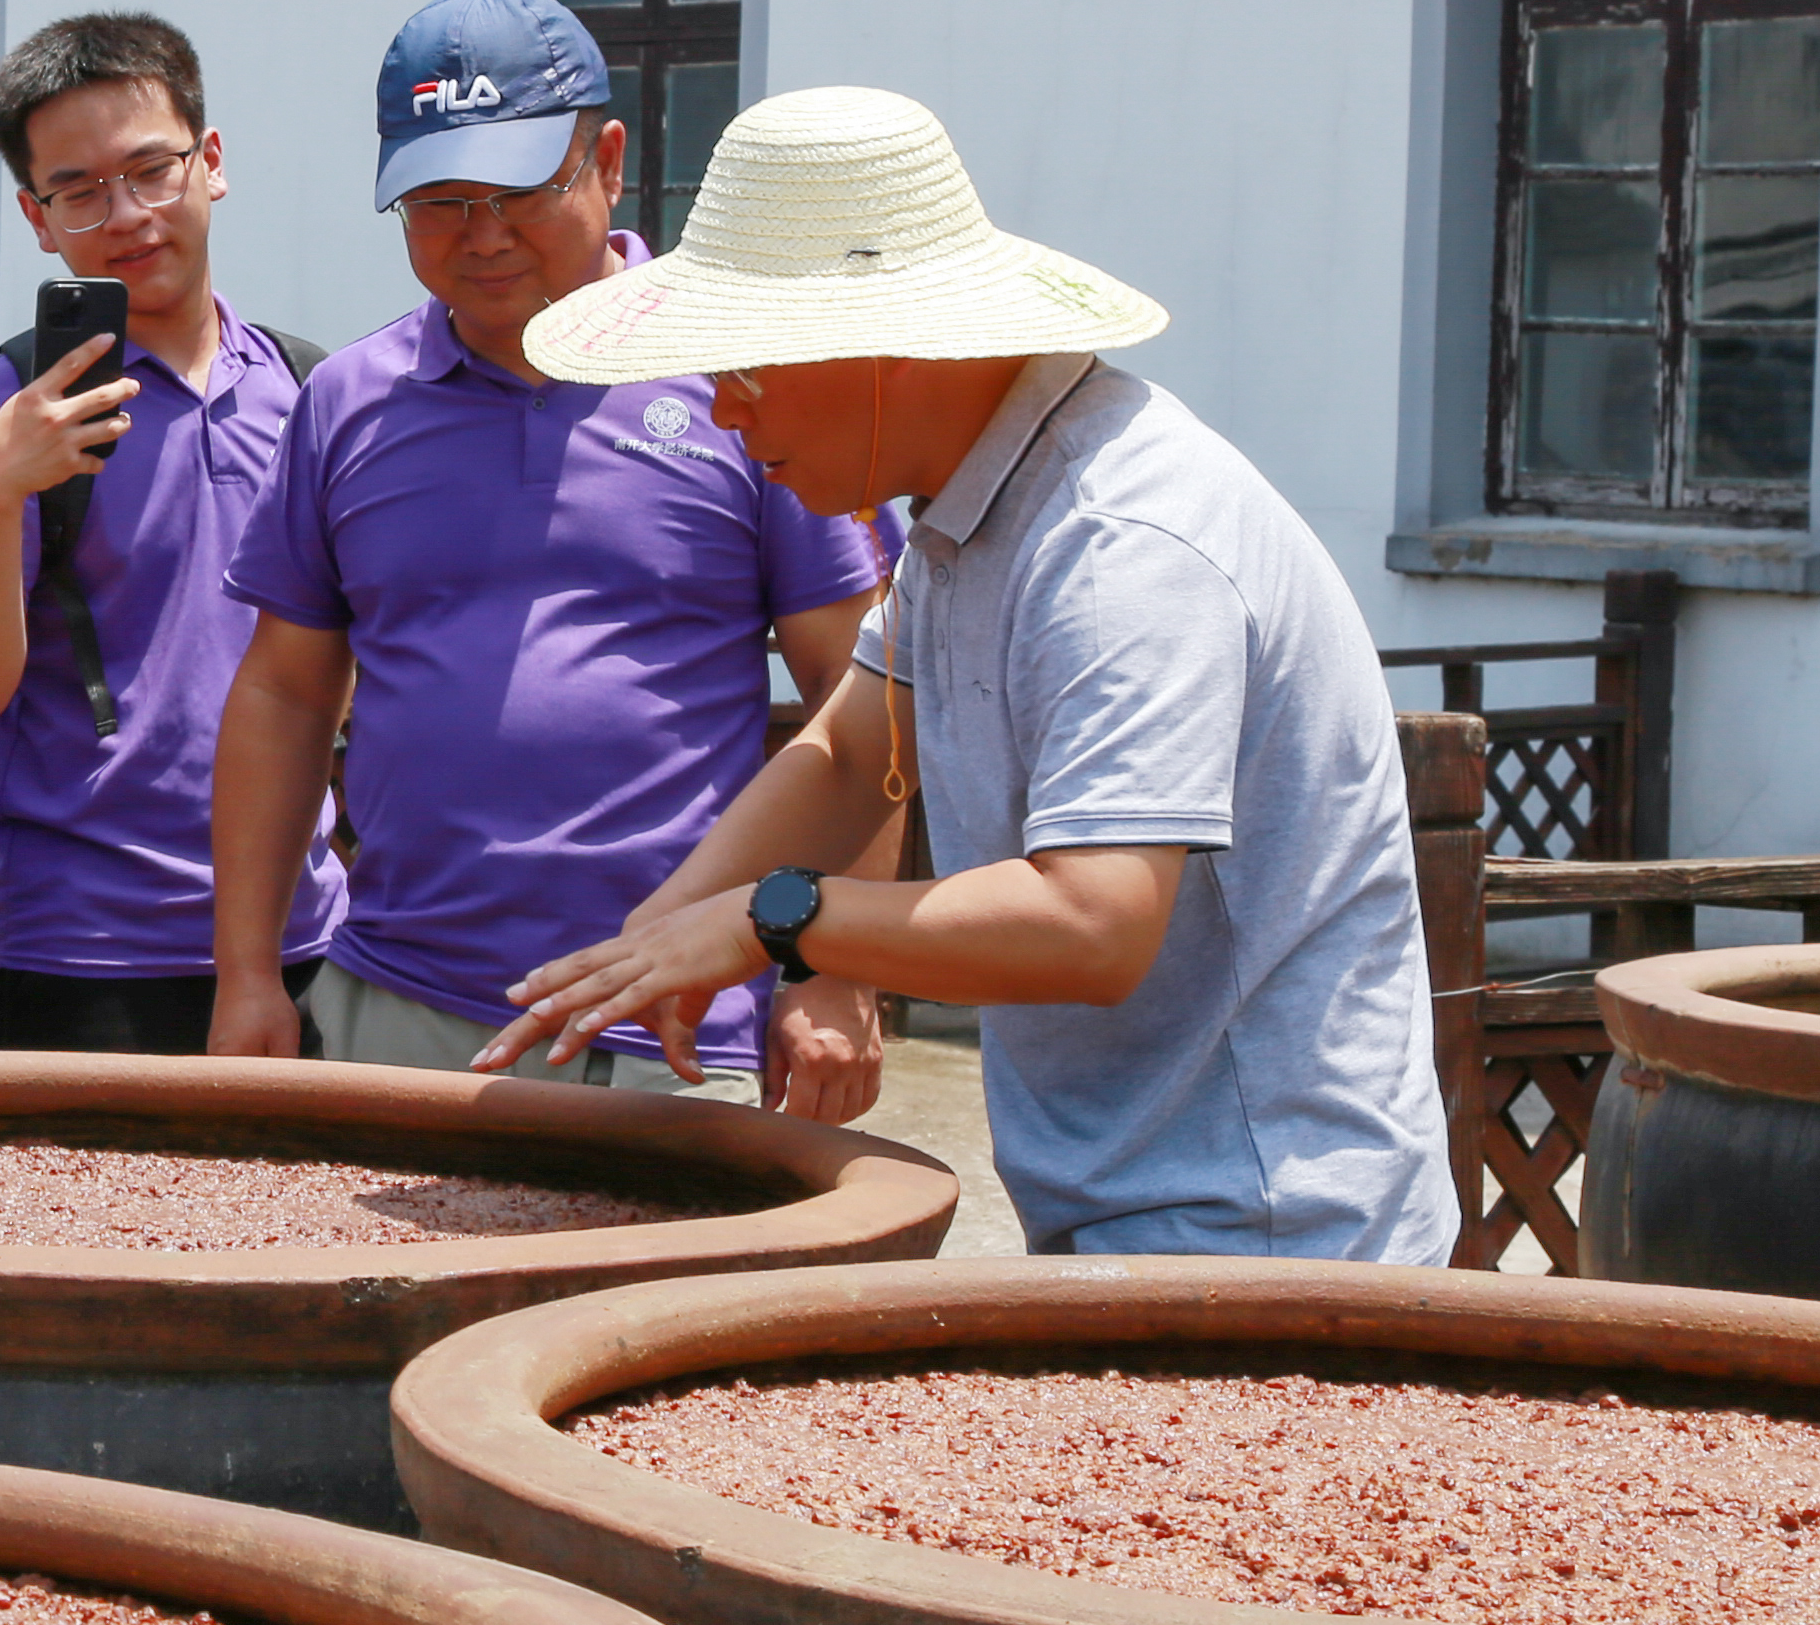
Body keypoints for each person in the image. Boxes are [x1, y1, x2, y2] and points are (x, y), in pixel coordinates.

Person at [489, 85, 1457, 1258]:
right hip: (1136, 1195)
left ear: (884, 342)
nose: (725, 412)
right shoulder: (964, 514)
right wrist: (657, 937)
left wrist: (771, 922)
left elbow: (1091, 924)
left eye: (748, 368)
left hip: (1267, 1227)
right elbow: (852, 749)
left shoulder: (1121, 545)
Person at [209, 0, 888, 1096]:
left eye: (521, 189)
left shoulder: (748, 375)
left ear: (609, 158)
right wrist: (245, 974)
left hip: (676, 1022)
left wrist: (835, 973)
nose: (482, 236)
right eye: (438, 200)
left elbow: (860, 695)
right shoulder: (346, 403)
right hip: (403, 1009)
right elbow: (284, 697)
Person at [0, 10, 345, 1049]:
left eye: (150, 169)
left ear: (211, 163)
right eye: (78, 190)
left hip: (308, 930)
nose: (125, 214)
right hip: (73, 946)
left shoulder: (313, 391)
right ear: (35, 214)